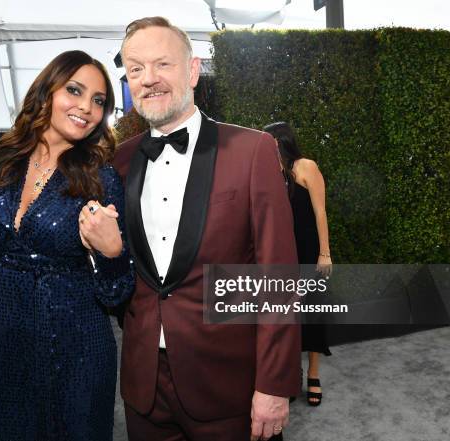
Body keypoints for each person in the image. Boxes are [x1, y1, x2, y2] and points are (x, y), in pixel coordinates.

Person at [112, 17, 300, 441]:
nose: (149, 79)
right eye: (136, 68)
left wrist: (274, 383)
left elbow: (278, 280)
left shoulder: (252, 151)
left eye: (163, 64)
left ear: (193, 70)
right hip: (144, 388)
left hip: (228, 384)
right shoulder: (118, 163)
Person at [0, 50, 135, 441]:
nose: (87, 107)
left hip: (77, 354)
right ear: (45, 92)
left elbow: (117, 293)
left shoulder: (101, 180)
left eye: (99, 101)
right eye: (75, 90)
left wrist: (113, 254)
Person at [264, 121, 333, 407]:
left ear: (281, 142)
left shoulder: (306, 167)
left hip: (309, 252)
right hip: (283, 256)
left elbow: (320, 213)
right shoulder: (269, 174)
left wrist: (325, 253)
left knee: (313, 315)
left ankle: (313, 374)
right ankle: (293, 374)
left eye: (268, 142)